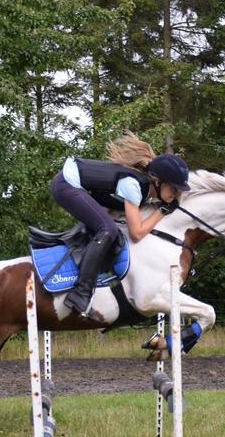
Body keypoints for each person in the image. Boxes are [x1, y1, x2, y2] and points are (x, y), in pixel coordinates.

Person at [50, 133, 190, 317]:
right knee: (107, 229)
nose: (176, 193)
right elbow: (137, 233)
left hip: (76, 186)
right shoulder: (133, 185)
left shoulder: (144, 190)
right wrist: (162, 211)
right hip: (66, 184)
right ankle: (80, 293)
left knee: (110, 227)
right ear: (158, 181)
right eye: (173, 188)